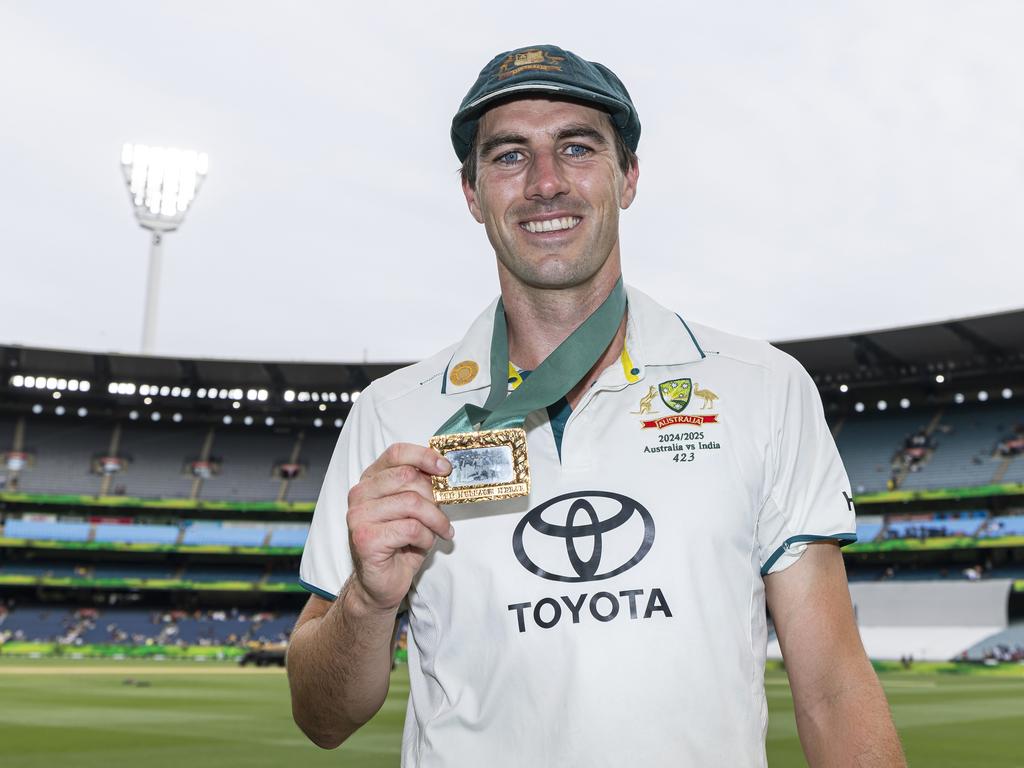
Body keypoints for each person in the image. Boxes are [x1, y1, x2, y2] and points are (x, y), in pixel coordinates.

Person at [286, 44, 905, 767]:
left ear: (628, 176)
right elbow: (321, 718)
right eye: (510, 156)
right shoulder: (392, 415)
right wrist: (365, 601)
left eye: (576, 148)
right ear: (472, 193)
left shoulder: (761, 388)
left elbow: (831, 687)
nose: (546, 183)